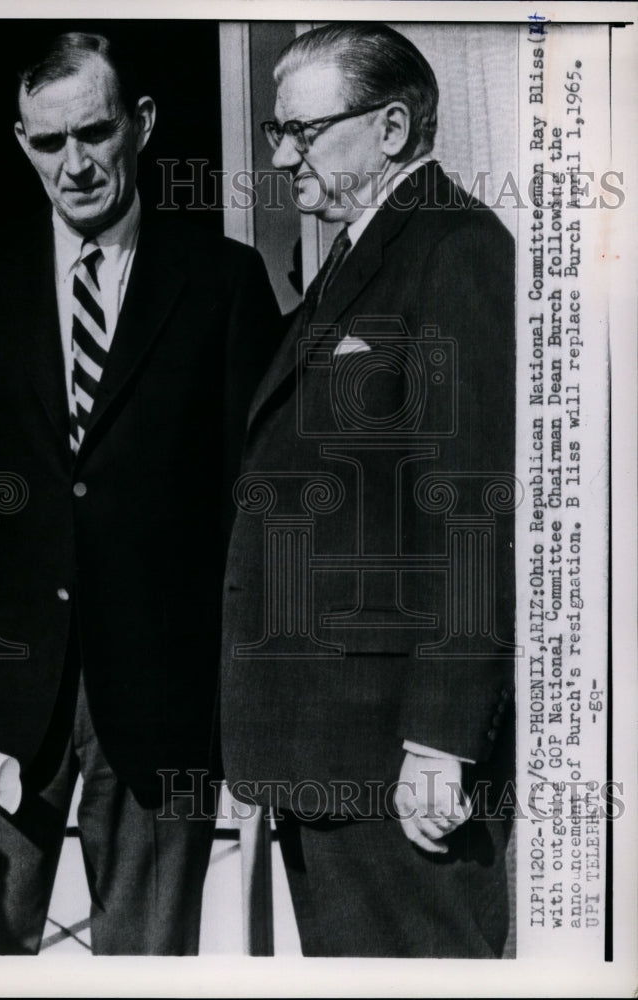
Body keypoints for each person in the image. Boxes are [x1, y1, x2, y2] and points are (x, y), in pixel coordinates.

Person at [0, 30, 281, 955]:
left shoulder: (222, 284)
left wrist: (247, 687)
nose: (74, 164)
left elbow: (256, 501)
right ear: (20, 142)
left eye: (93, 133)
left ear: (138, 125)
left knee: (149, 959)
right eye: (46, 142)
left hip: (165, 700)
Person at [220, 23, 516, 957]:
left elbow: (473, 503)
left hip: (393, 757)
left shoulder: (454, 248)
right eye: (276, 133)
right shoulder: (352, 256)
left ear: (391, 128)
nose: (281, 156)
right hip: (329, 748)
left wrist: (440, 741)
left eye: (303, 131)